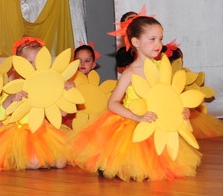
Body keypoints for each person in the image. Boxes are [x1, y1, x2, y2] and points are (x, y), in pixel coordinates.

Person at [70, 16, 202, 180]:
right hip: (132, 122)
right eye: (152, 39)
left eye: (160, 39)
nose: (158, 44)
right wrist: (137, 117)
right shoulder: (130, 73)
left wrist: (181, 109)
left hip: (156, 124)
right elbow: (112, 103)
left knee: (162, 165)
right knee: (136, 167)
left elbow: (169, 96)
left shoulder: (162, 67)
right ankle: (114, 164)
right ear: (136, 42)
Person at [0, 38, 69, 171]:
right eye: (29, 63)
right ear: (19, 65)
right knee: (34, 163)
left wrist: (65, 91)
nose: (34, 66)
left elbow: (63, 113)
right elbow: (0, 115)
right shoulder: (14, 87)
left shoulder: (47, 87)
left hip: (42, 130)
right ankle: (15, 158)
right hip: (20, 133)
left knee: (60, 163)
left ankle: (40, 157)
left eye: (38, 62)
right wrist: (11, 99)